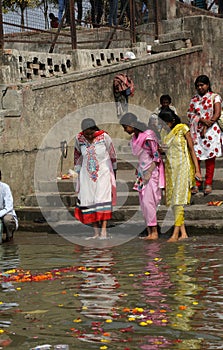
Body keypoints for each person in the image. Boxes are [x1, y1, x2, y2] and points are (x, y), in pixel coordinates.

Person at [158, 108, 202, 242]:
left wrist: (197, 170)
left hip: (183, 167)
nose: (163, 126)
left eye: (165, 123)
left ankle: (175, 235)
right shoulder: (163, 133)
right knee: (174, 202)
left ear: (171, 121)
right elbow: (164, 151)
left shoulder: (183, 129)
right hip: (171, 169)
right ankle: (183, 233)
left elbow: (192, 150)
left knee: (179, 201)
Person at [120, 113, 165, 240]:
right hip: (141, 173)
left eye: (125, 127)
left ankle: (154, 232)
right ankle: (149, 231)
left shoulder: (148, 135)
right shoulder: (134, 138)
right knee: (143, 203)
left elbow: (156, 156)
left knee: (149, 202)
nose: (125, 130)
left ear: (132, 125)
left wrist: (149, 172)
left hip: (151, 172)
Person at [74, 118, 117, 239]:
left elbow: (112, 154)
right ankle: (96, 232)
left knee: (102, 200)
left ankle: (103, 231)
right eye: (86, 134)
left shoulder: (104, 137)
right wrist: (77, 170)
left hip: (103, 173)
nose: (88, 136)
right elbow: (77, 154)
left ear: (94, 129)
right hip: (86, 175)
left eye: (90, 133)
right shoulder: (79, 139)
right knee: (90, 201)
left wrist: (114, 170)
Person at [187, 75, 222, 195]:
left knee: (210, 159)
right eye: (198, 86)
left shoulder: (215, 97)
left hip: (211, 132)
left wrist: (207, 125)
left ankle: (208, 183)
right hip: (196, 131)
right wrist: (201, 120)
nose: (200, 87)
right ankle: (196, 183)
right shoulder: (194, 99)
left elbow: (216, 114)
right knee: (195, 157)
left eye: (202, 85)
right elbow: (190, 114)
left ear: (207, 85)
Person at [0, 170, 18, 242]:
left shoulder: (5, 187)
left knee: (8, 220)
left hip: (5, 213)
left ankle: (9, 237)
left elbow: (9, 207)